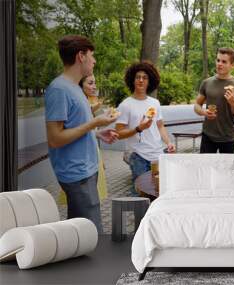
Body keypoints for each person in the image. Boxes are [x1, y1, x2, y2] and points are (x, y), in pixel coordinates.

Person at [45, 35, 119, 233]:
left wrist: (98, 133)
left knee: (78, 232)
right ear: (81, 56)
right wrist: (95, 122)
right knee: (90, 233)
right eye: (92, 56)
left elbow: (76, 127)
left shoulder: (75, 88)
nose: (94, 61)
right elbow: (55, 138)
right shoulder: (59, 89)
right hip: (76, 174)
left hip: (87, 171)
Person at [115, 61, 175, 196]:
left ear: (150, 81)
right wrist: (138, 128)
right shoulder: (126, 105)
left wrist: (169, 142)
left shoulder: (155, 103)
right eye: (138, 77)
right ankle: (139, 216)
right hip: (138, 157)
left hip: (157, 154)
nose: (141, 80)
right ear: (132, 80)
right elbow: (118, 133)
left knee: (157, 191)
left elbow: (160, 126)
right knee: (140, 193)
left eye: (145, 77)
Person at [194, 47, 234, 153]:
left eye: (224, 61)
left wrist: (233, 102)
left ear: (232, 65)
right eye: (218, 60)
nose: (219, 64)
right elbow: (196, 105)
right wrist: (204, 112)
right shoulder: (206, 82)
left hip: (228, 137)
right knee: (205, 168)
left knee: (227, 169)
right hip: (207, 135)